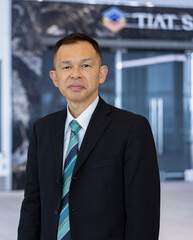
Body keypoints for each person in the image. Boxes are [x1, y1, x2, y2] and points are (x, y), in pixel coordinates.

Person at [17, 33, 160, 240]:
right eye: (66, 67)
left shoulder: (132, 129)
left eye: (85, 66)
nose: (75, 74)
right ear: (55, 78)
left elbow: (143, 214)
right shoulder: (43, 129)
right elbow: (32, 203)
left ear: (102, 74)